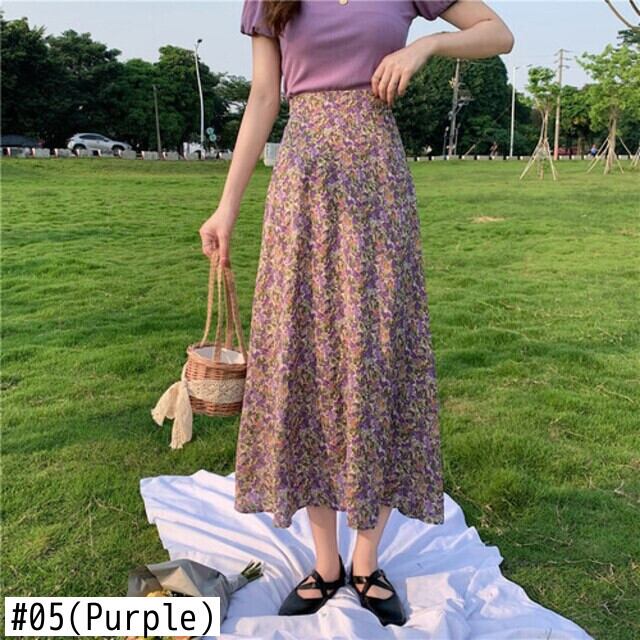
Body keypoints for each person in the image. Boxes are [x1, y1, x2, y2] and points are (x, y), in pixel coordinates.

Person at [199, 0, 514, 627]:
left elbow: (497, 33)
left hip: (377, 183)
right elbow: (264, 96)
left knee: (379, 355)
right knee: (308, 355)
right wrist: (226, 207)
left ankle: (367, 560)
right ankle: (326, 562)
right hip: (303, 185)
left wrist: (424, 46)